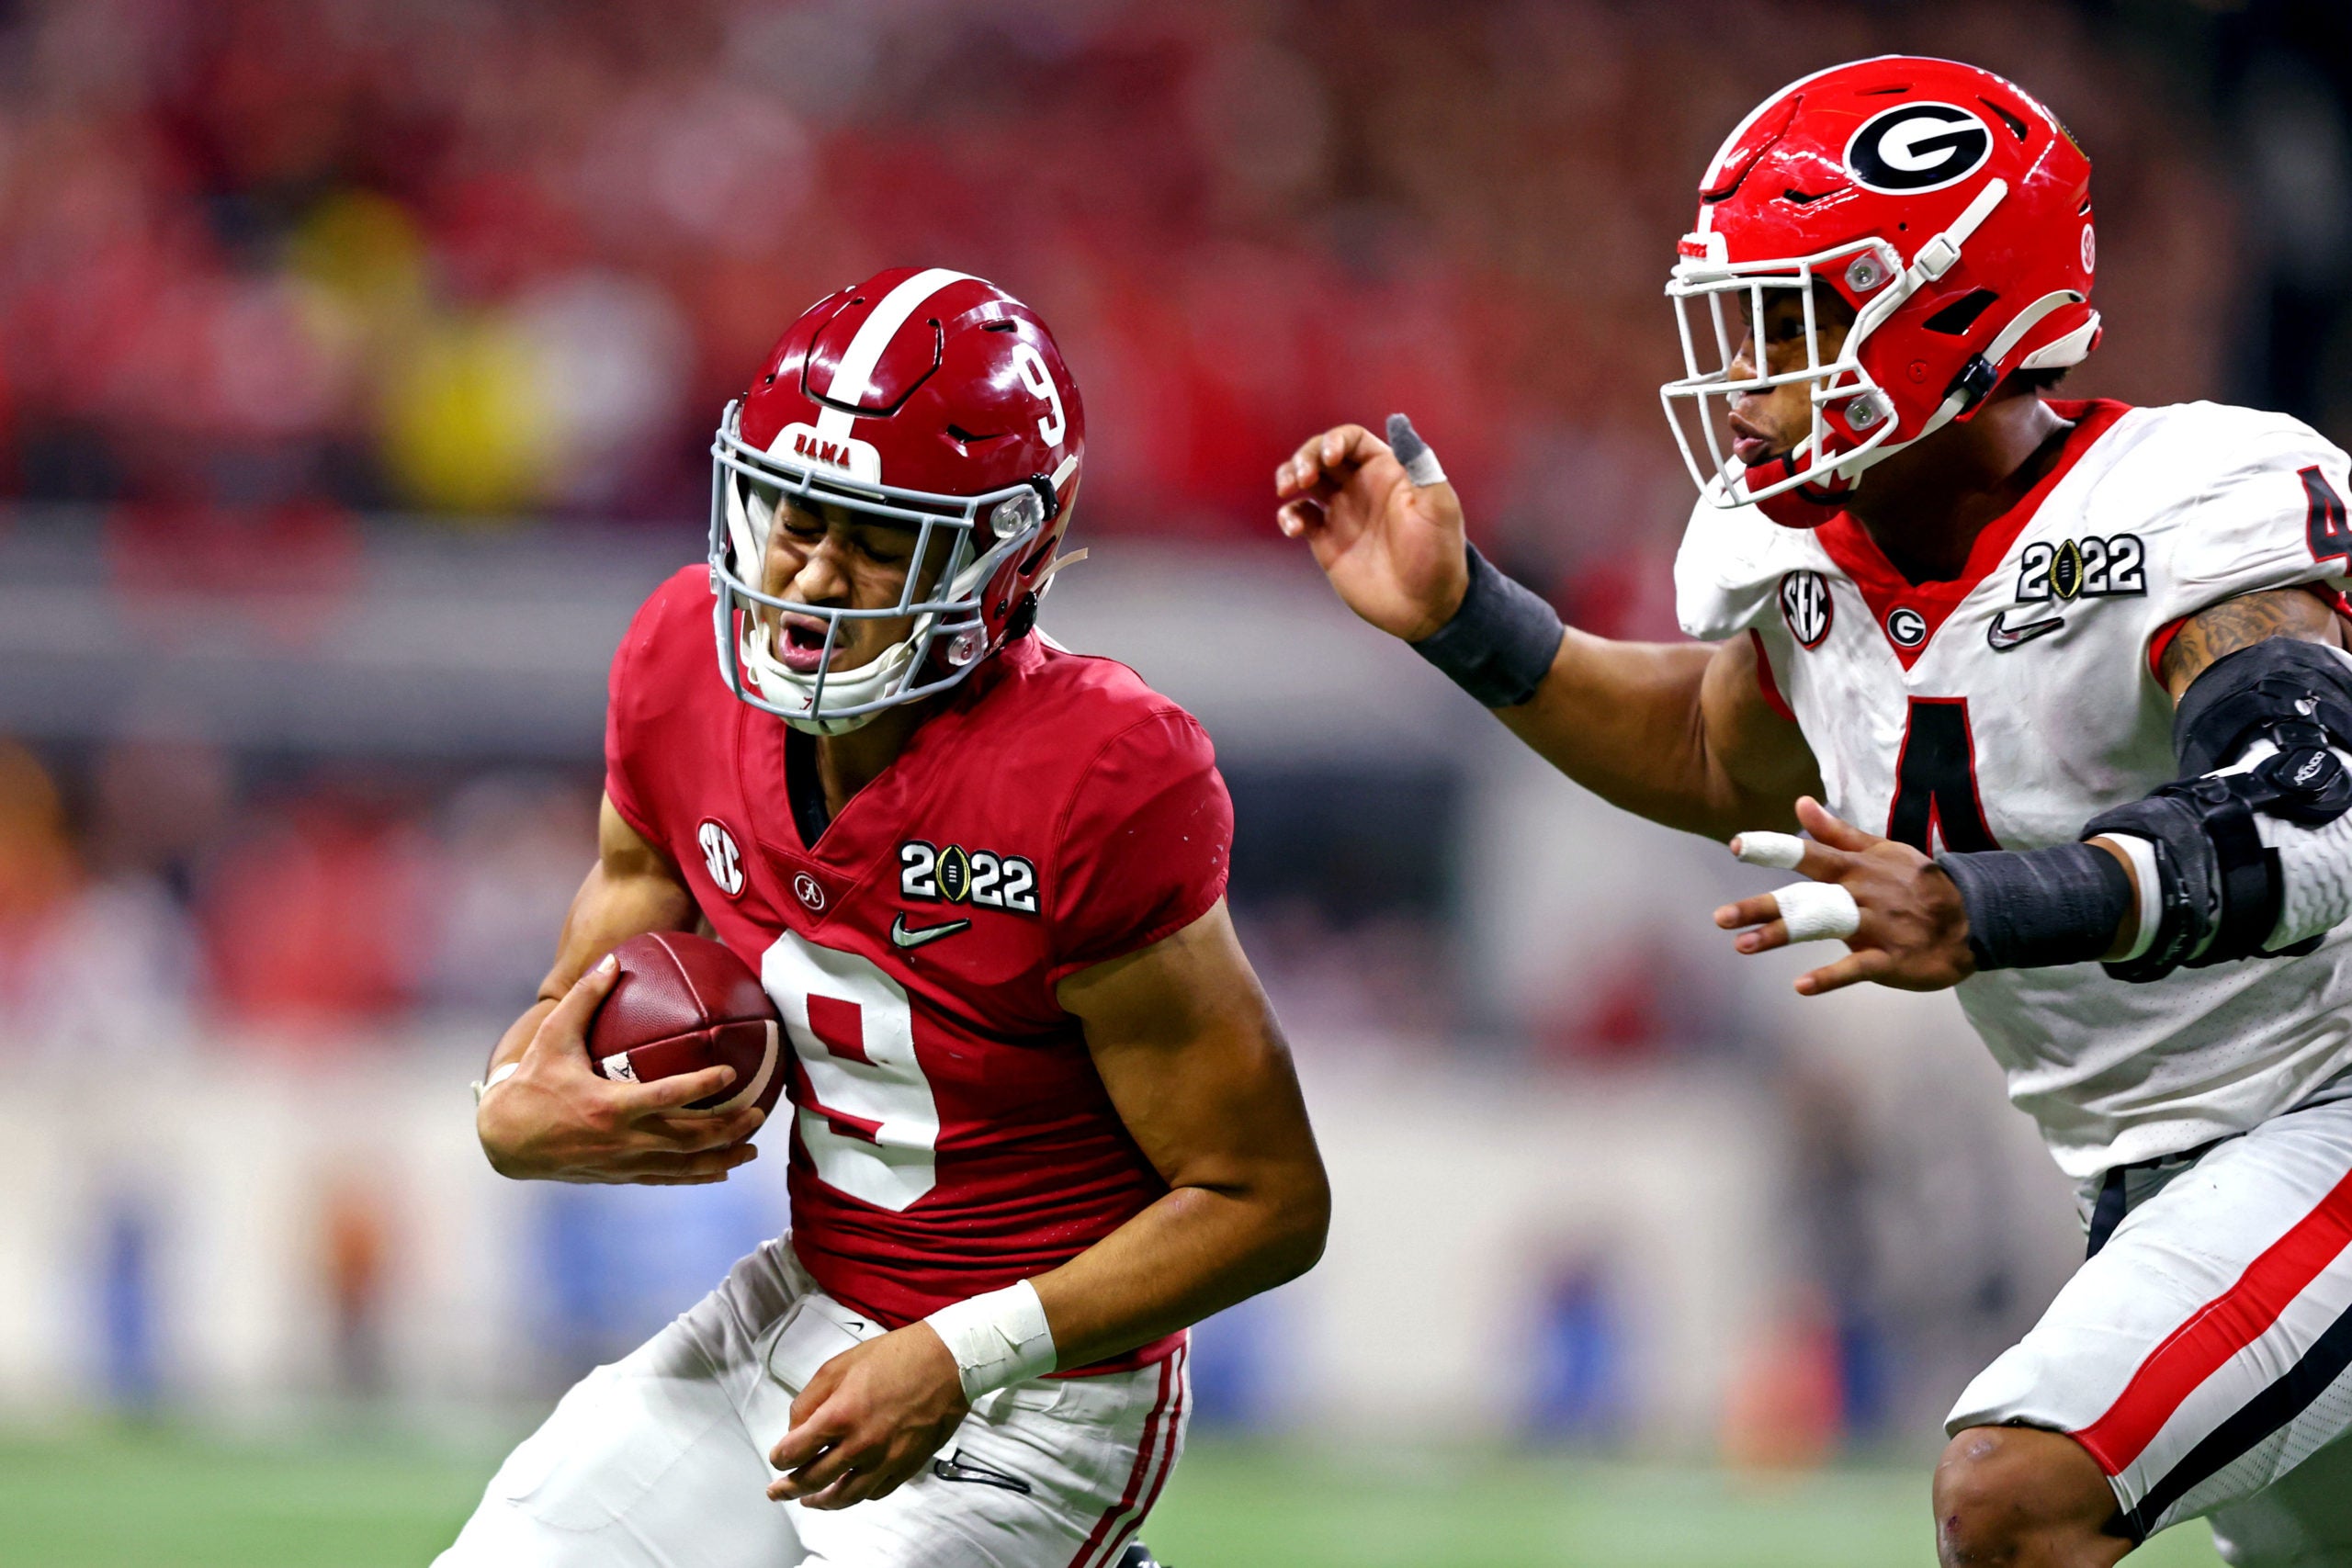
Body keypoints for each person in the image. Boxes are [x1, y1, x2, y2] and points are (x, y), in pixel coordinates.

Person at [1279, 55, 2352, 1568]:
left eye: (1797, 316)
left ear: (1957, 314)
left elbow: (2303, 822)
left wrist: (1979, 906)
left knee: (2013, 1495)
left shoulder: (2186, 508)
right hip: (2156, 1160)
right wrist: (1469, 619)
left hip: (2322, 1110)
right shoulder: (1801, 558)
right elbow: (1725, 757)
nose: (1754, 369)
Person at [442, 266, 1330, 1568]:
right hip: (802, 1311)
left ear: (1001, 558)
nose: (808, 571)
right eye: (793, 509)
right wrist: (515, 1091)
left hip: (1040, 1393)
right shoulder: (681, 660)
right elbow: (608, 934)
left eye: (877, 536)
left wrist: (961, 1357)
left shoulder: (1096, 776)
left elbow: (1266, 1200)